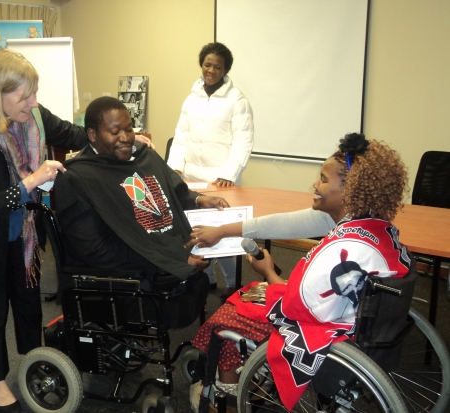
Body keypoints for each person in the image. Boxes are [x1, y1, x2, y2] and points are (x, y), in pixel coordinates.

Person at [189, 134, 411, 410]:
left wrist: (269, 272)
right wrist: (223, 230)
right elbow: (283, 224)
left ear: (350, 189)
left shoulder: (341, 251)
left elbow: (294, 308)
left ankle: (228, 393)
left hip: (327, 332)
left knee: (228, 314)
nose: (315, 185)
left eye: (323, 179)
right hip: (361, 321)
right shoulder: (376, 226)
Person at [0, 48, 91, 413]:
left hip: (26, 235)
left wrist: (121, 136)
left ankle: (33, 361)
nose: (34, 102)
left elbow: (75, 134)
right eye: (24, 95)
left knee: (28, 303)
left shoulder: (35, 118)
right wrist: (31, 181)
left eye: (34, 92)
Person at [54, 97, 230, 324]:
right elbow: (95, 250)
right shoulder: (78, 179)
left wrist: (199, 199)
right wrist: (170, 259)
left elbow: (173, 190)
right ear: (92, 136)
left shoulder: (142, 156)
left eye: (129, 129)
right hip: (129, 273)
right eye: (115, 131)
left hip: (166, 252)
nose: (126, 138)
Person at [167, 42, 254, 295]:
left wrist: (228, 173)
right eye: (207, 65)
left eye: (217, 67)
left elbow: (243, 139)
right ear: (201, 65)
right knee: (195, 231)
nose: (211, 70)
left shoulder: (237, 99)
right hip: (192, 178)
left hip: (221, 180)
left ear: (225, 70)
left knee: (221, 233)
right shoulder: (191, 98)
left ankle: (231, 283)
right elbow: (181, 136)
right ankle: (205, 278)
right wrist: (174, 167)